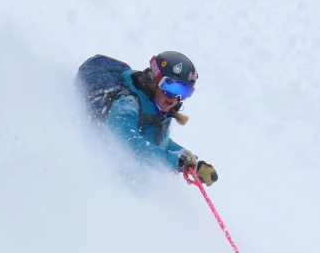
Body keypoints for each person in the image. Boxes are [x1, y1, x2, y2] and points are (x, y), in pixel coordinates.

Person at [78, 51, 218, 186]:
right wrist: (176, 160)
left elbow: (159, 142)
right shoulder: (127, 104)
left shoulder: (157, 109)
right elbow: (130, 144)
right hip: (99, 178)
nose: (175, 98)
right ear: (154, 80)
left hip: (129, 182)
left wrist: (193, 164)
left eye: (184, 91)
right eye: (171, 87)